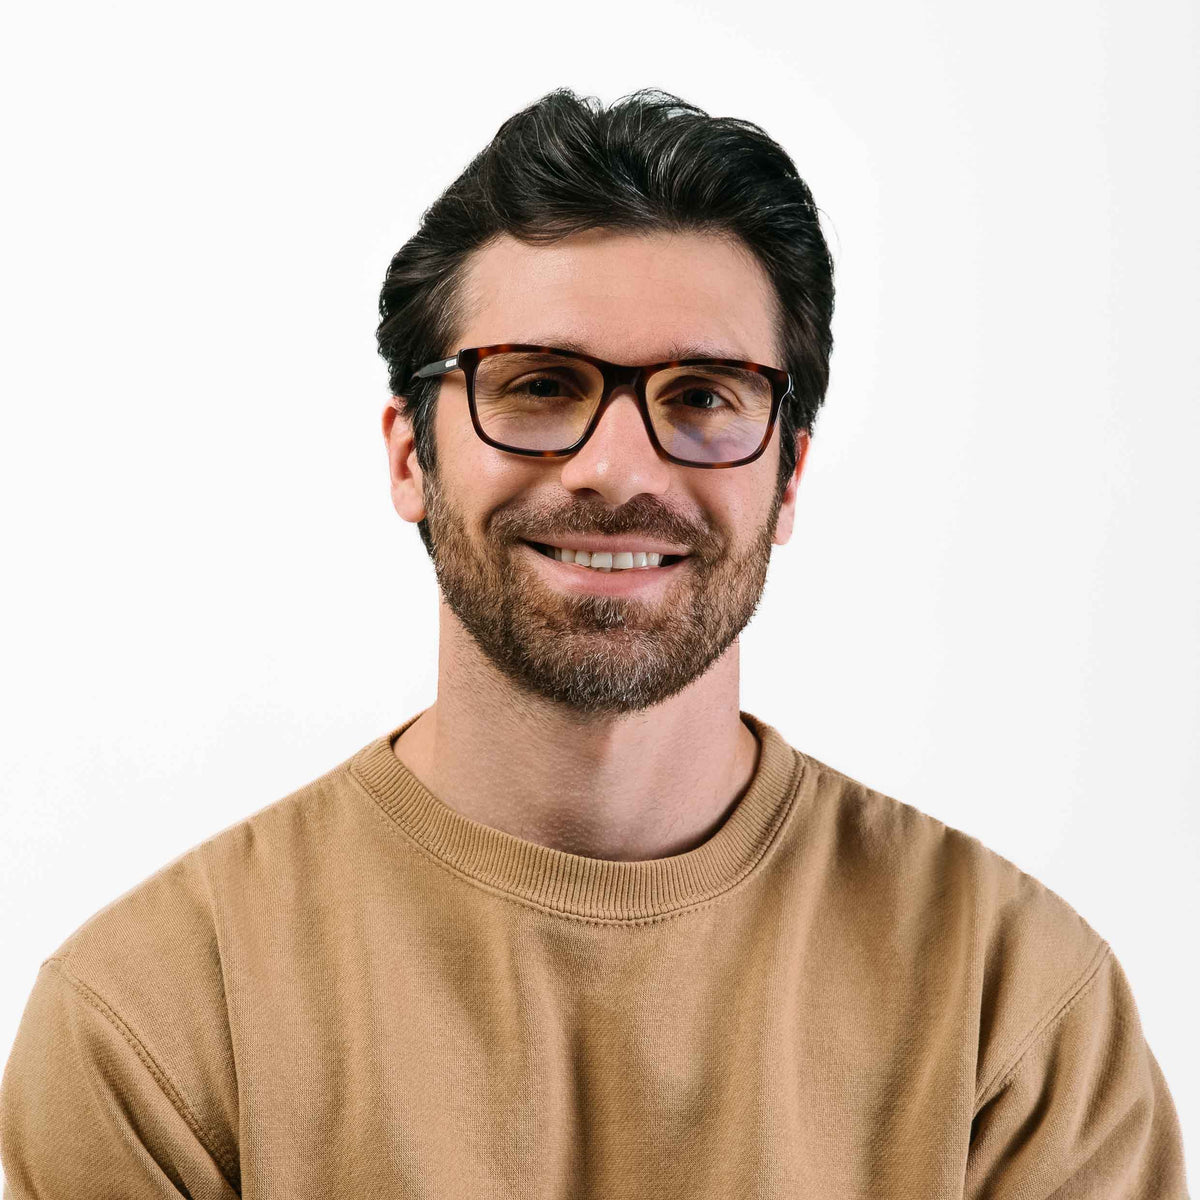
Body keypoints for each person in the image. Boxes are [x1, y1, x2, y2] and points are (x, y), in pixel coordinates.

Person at [0, 88, 1188, 1198]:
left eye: (705, 396)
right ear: (413, 457)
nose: (617, 466)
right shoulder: (156, 1019)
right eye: (537, 385)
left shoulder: (1015, 1008)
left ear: (787, 477)